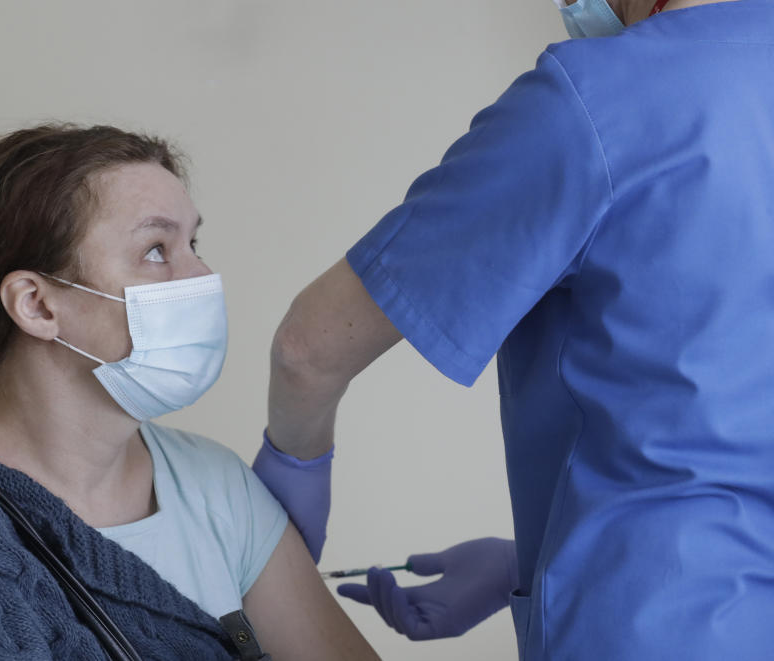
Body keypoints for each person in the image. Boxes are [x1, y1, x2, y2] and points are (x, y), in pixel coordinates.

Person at [251, 0, 774, 658]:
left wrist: (289, 476)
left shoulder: (599, 100)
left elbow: (308, 349)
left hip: (666, 625)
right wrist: (520, 565)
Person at [0, 124, 380, 660]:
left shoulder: (213, 483)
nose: (202, 274)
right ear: (37, 305)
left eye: (193, 243)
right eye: (157, 249)